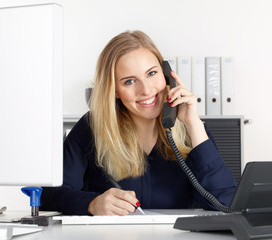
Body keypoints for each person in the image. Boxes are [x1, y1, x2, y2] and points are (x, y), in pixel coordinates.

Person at [40, 30, 236, 216]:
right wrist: (92, 203)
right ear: (114, 90)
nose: (146, 90)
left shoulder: (191, 131)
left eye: (151, 74)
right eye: (129, 81)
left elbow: (226, 203)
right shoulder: (92, 127)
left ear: (167, 74)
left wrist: (193, 123)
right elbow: (47, 196)